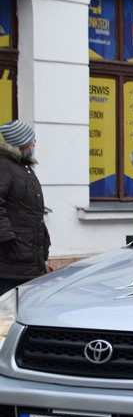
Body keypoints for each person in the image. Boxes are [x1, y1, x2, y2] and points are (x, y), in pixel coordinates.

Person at [0, 120, 50, 295]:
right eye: (32, 140)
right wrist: (7, 239)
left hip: (28, 254)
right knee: (7, 310)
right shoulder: (4, 166)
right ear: (21, 142)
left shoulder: (23, 167)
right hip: (12, 258)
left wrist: (44, 240)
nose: (34, 144)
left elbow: (30, 211)